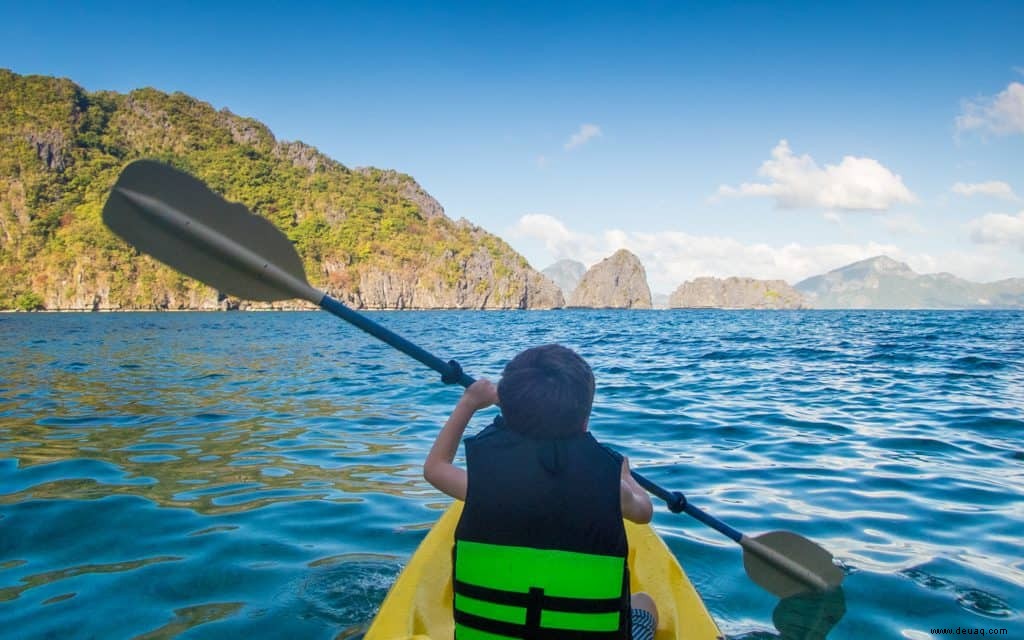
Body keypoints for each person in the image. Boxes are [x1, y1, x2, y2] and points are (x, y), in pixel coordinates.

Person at [424, 344, 658, 640]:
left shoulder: (483, 485)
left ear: (507, 414)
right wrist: (624, 474)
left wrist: (469, 402)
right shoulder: (612, 487)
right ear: (585, 419)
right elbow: (644, 511)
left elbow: (434, 468)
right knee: (642, 603)